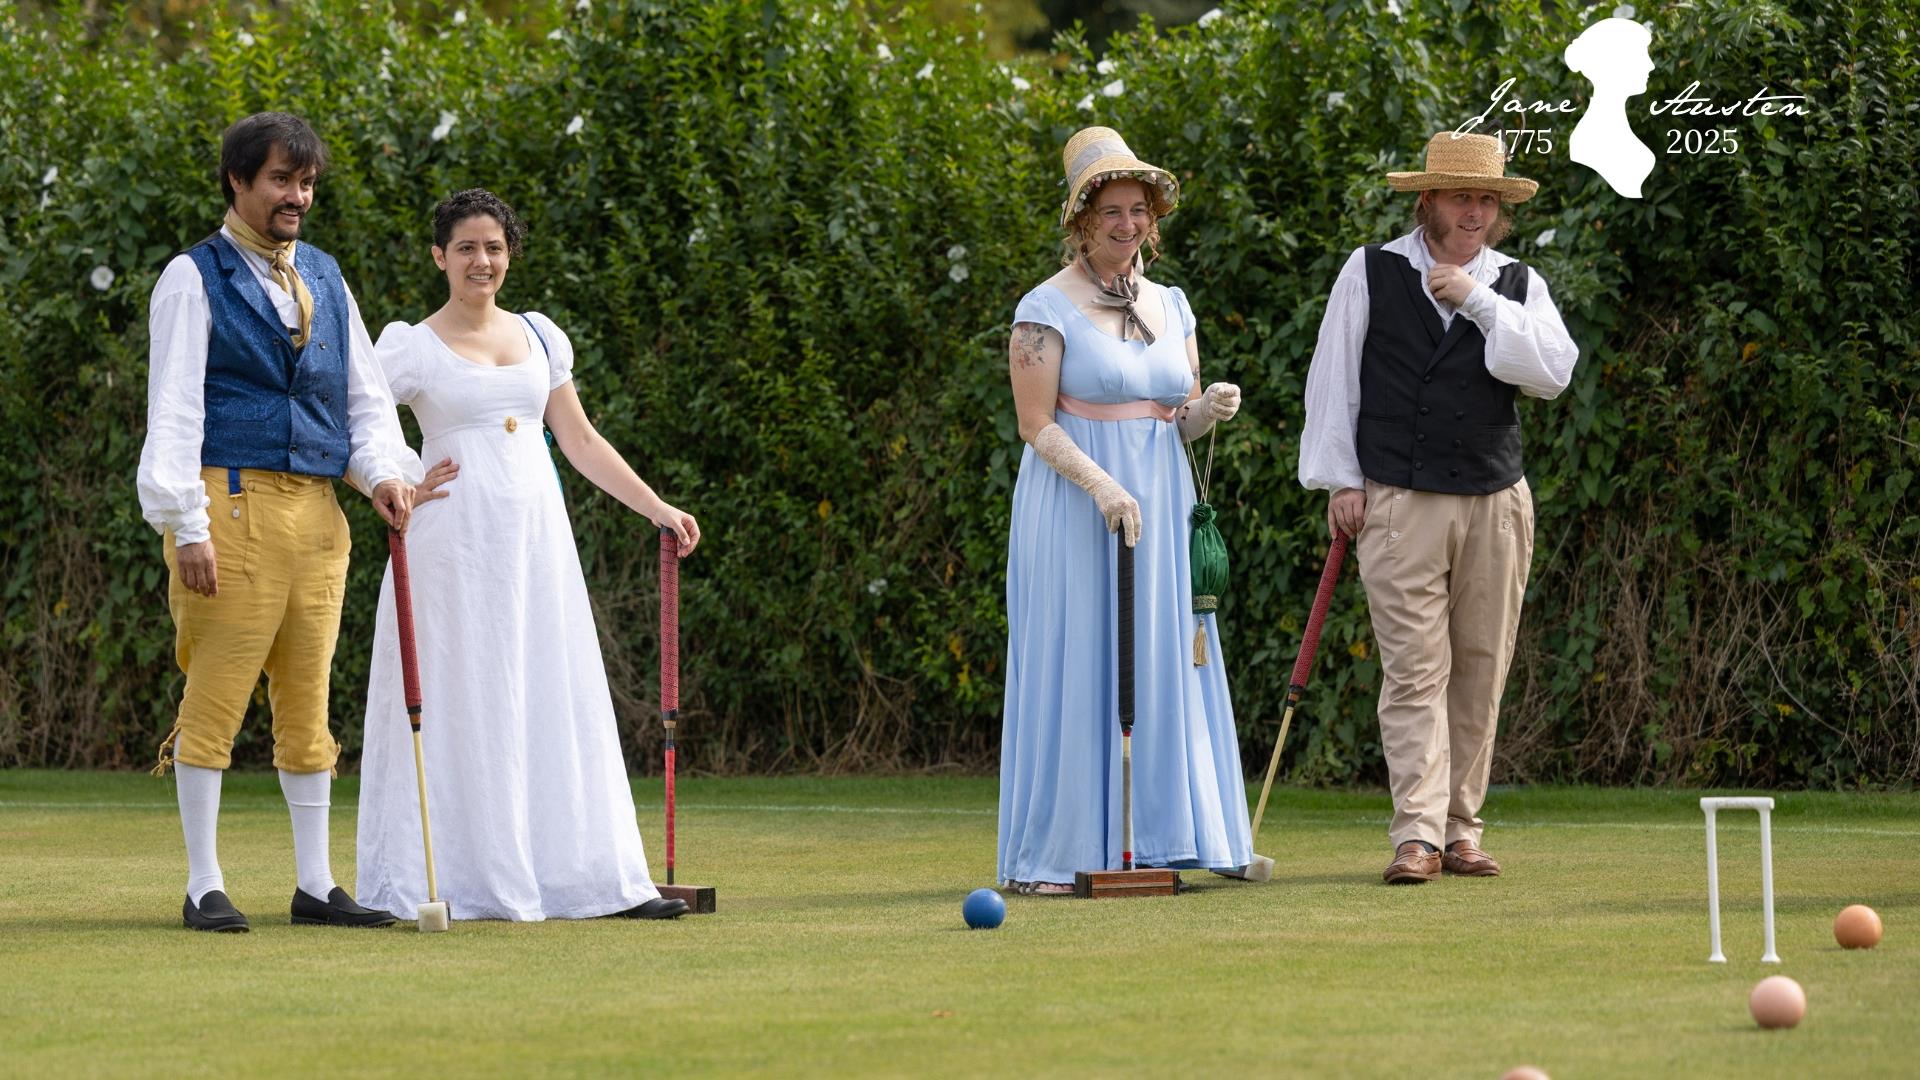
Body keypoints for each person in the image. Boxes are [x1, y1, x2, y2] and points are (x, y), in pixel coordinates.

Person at [353, 189, 696, 921]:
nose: (483, 261)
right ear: (439, 256)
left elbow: (579, 440)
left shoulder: (541, 336)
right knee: (464, 702)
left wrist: (657, 508)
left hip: (535, 546)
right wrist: (404, 477)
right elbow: (358, 422)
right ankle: (458, 882)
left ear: (510, 255)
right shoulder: (409, 344)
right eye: (468, 248)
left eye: (495, 247)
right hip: (452, 548)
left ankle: (587, 881)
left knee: (546, 691)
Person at [137, 112, 419, 932]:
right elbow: (175, 409)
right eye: (280, 181)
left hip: (317, 512)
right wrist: (186, 524)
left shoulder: (326, 276)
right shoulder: (193, 277)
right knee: (216, 697)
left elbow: (362, 398)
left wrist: (381, 476)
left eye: (305, 184)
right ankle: (203, 882)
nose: (296, 196)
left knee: (308, 702)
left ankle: (316, 884)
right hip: (228, 502)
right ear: (237, 181)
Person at [1298, 132, 1580, 884]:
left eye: (1486, 199)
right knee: (1415, 672)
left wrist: (1480, 302)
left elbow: (1550, 374)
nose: (1475, 212)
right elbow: (1334, 381)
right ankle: (1417, 834)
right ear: (1427, 200)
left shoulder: (1519, 283)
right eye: (1461, 197)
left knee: (1480, 669)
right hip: (1399, 497)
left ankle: (1462, 830)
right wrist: (1341, 481)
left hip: (1495, 499)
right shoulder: (1371, 270)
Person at [997, 127, 1248, 894]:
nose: (1127, 223)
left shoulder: (1171, 304)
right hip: (1076, 507)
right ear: (1081, 219)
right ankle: (1060, 854)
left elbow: (1170, 417)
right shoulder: (1044, 308)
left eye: (1138, 209)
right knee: (1083, 660)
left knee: (1164, 657)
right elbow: (1035, 424)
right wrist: (1100, 484)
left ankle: (1169, 838)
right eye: (1111, 210)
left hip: (1161, 505)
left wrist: (1207, 409)